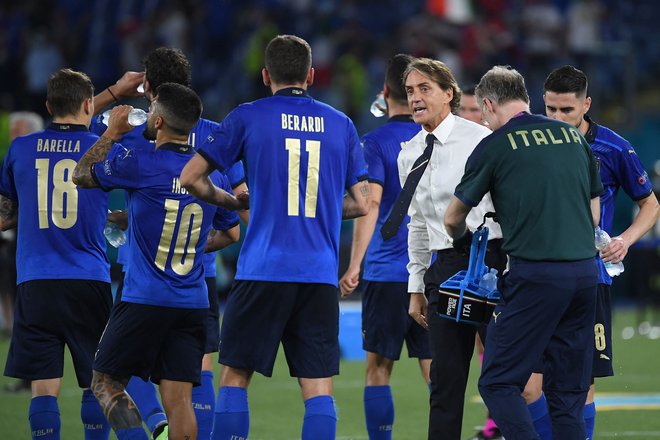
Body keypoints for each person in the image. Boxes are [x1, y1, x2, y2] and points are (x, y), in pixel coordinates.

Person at [180, 34, 370, 440]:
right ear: (312, 75)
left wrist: (235, 201)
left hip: (263, 268)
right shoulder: (342, 123)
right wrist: (320, 208)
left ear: (265, 75)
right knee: (317, 386)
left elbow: (190, 177)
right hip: (318, 274)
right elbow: (363, 202)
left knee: (234, 376)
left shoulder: (247, 116)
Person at [73, 82, 245, 440]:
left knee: (105, 382)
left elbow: (80, 174)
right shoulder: (213, 175)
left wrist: (111, 132)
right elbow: (231, 235)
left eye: (152, 111)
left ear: (161, 121)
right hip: (193, 302)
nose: (147, 115)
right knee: (179, 400)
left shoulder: (140, 161)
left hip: (144, 299)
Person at [444, 65, 603, 440]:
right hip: (584, 274)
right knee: (566, 391)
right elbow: (593, 211)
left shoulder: (494, 144)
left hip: (536, 275)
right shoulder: (572, 136)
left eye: (482, 113)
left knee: (498, 381)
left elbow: (453, 216)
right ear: (527, 99)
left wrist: (462, 239)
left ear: (487, 104)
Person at [534, 65, 660, 439]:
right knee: (531, 380)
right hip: (536, 275)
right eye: (551, 110)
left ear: (586, 104)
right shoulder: (529, 145)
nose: (557, 119)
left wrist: (625, 239)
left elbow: (650, 204)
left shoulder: (614, 147)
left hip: (590, 279)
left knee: (582, 379)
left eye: (566, 111)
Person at [1, 68, 113, 439]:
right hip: (88, 279)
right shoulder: (103, 145)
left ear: (48, 105)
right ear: (87, 104)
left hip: (36, 280)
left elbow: (4, 216)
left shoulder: (19, 148)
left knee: (43, 386)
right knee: (98, 382)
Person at [398, 58, 506, 440]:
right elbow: (417, 225)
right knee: (445, 382)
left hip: (491, 263)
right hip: (443, 270)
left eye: (424, 88)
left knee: (508, 378)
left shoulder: (480, 140)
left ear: (449, 93)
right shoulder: (408, 152)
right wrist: (415, 286)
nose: (415, 97)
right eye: (410, 90)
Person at [338, 53, 430, 440]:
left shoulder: (373, 142)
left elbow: (370, 203)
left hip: (387, 272)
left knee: (378, 368)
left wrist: (354, 263)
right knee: (435, 368)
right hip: (431, 271)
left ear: (385, 92)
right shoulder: (436, 136)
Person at [457, 85, 502, 440]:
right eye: (464, 110)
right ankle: (496, 422)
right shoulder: (456, 153)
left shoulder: (501, 150)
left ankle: (501, 422)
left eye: (476, 110)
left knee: (499, 342)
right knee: (481, 343)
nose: (471, 117)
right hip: (470, 253)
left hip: (501, 254)